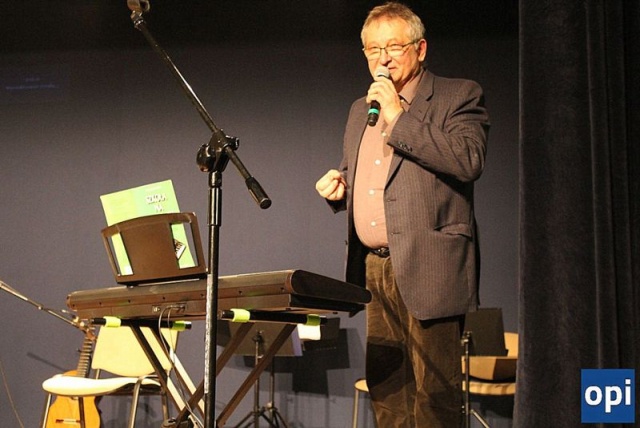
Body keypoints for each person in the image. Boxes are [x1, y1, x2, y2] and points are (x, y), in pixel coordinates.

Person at [315, 2, 489, 427]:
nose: (383, 59)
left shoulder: (458, 95)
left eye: (394, 47)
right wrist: (340, 190)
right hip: (375, 269)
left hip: (432, 265)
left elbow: (468, 160)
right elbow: (376, 181)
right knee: (387, 390)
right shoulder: (360, 109)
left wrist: (398, 116)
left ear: (420, 49)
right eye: (373, 50)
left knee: (435, 396)